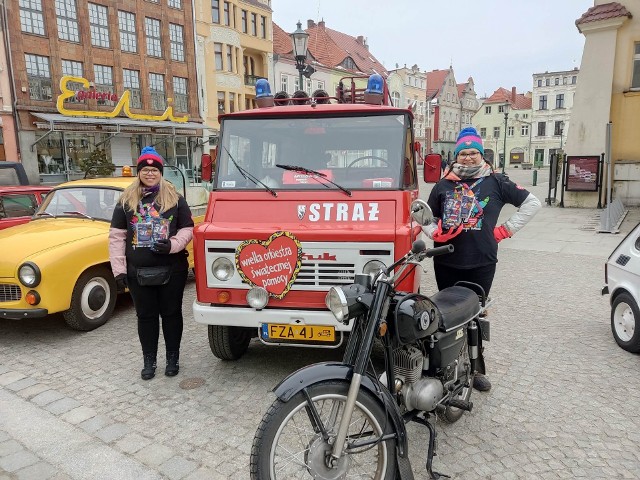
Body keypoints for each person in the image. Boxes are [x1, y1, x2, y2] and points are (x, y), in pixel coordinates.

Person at [423, 126, 541, 392]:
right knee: (449, 317)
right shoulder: (444, 184)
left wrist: (505, 230)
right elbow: (426, 217)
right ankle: (448, 367)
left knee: (475, 315)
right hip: (447, 261)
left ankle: (475, 370)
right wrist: (435, 233)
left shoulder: (497, 181)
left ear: (481, 155)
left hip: (481, 262)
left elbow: (533, 203)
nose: (467, 157)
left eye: (472, 153)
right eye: (462, 153)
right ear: (455, 156)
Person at [109, 147, 194, 380]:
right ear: (139, 172)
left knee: (171, 314)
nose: (149, 173)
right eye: (145, 169)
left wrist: (173, 245)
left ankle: (172, 358)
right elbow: (116, 237)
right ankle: (149, 360)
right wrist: (119, 271)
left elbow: (188, 228)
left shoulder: (175, 198)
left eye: (154, 169)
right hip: (138, 272)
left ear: (160, 172)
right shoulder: (126, 200)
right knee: (145, 317)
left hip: (172, 270)